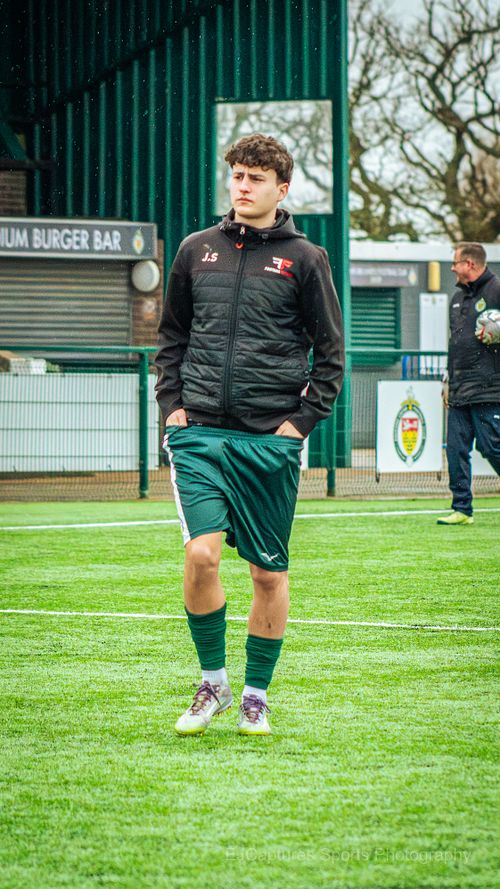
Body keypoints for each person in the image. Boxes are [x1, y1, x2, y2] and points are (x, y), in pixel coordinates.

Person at [155, 133, 344, 735]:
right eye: (237, 175)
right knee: (201, 555)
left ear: (281, 189)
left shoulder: (306, 259)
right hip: (200, 434)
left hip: (270, 440)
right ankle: (213, 684)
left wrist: (297, 426)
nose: (242, 186)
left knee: (267, 574)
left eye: (256, 178)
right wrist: (172, 405)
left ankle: (255, 696)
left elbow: (331, 354)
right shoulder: (195, 249)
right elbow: (172, 336)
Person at [437, 242, 500, 525]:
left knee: (491, 448)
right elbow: (456, 343)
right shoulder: (457, 298)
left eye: (455, 263)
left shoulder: (497, 290)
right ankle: (462, 508)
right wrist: (447, 379)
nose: (452, 268)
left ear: (470, 264)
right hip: (460, 387)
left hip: (490, 388)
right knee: (455, 449)